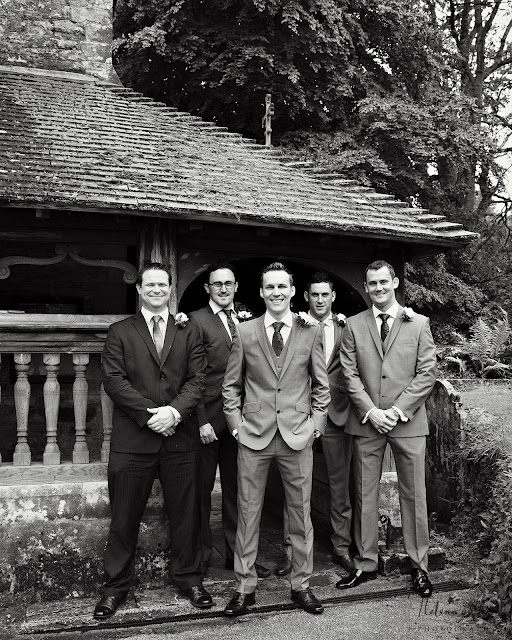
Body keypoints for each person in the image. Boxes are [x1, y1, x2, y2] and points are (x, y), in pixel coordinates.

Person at [94, 262, 212, 620]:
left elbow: (198, 379)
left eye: (163, 284)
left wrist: (174, 413)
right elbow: (113, 381)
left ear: (170, 288)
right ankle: (115, 589)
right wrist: (152, 415)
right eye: (151, 284)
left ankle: (189, 579)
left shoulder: (188, 331)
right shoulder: (120, 332)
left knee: (186, 516)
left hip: (181, 440)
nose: (157, 289)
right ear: (140, 289)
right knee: (124, 519)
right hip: (133, 442)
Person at [222, 262, 330, 616]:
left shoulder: (309, 332)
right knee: (248, 513)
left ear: (292, 290)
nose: (276, 293)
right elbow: (231, 386)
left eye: (282, 287)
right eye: (270, 287)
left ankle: (301, 586)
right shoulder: (245, 331)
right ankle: (244, 588)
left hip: (298, 435)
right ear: (261, 292)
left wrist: (316, 425)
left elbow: (321, 386)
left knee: (301, 514)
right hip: (253, 434)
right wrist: (236, 425)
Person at [337, 260, 437, 598]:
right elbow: (348, 375)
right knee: (365, 493)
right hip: (367, 423)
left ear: (394, 282)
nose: (378, 288)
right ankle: (366, 564)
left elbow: (426, 374)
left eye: (384, 281)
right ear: (366, 287)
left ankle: (419, 567)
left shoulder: (419, 323)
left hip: (407, 422)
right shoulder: (353, 325)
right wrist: (370, 412)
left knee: (414, 494)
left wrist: (396, 411)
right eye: (372, 283)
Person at [189, 262, 269, 578]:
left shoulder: (247, 321)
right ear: (207, 288)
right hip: (208, 422)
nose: (223, 289)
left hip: (241, 423)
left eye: (228, 283)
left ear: (236, 287)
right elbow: (191, 376)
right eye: (217, 284)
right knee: (201, 493)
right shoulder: (195, 321)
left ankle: (240, 558)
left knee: (240, 493)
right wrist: (201, 421)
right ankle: (199, 560)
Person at [276, 272, 354, 577]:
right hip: (298, 416)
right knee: (295, 489)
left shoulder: (348, 327)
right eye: (315, 294)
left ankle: (342, 548)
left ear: (333, 297)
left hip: (336, 415)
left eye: (326, 294)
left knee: (340, 486)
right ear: (305, 297)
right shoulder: (290, 325)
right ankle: (291, 552)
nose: (320, 300)